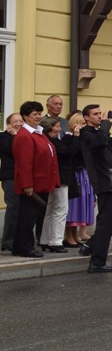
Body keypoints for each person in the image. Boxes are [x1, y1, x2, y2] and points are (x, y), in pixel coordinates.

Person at [78, 104, 112, 273]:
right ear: (86, 118)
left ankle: (91, 245)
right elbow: (98, 143)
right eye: (95, 114)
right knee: (105, 221)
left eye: (100, 114)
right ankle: (97, 262)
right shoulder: (86, 134)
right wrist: (107, 124)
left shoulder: (103, 134)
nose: (99, 117)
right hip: (103, 182)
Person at [12, 101, 60, 258]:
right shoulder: (25, 136)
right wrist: (27, 185)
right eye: (35, 114)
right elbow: (24, 164)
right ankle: (26, 248)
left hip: (42, 183)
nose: (39, 116)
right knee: (28, 218)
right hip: (32, 185)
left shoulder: (38, 133)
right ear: (26, 117)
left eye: (40, 113)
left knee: (29, 216)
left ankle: (19, 247)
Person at [38, 117, 74, 252]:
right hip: (61, 177)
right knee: (60, 209)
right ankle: (56, 241)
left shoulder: (47, 139)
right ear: (51, 128)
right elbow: (67, 152)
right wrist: (73, 137)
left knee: (51, 208)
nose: (59, 129)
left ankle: (45, 239)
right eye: (57, 126)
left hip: (55, 177)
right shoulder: (51, 140)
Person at [64, 112, 93, 246]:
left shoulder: (84, 138)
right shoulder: (68, 138)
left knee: (82, 203)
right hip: (75, 174)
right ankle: (68, 235)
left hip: (84, 174)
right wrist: (76, 136)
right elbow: (72, 154)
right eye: (82, 123)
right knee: (74, 205)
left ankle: (75, 234)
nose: (84, 126)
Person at [0, 112, 24, 251]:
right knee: (13, 207)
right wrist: (15, 136)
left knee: (23, 209)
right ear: (8, 124)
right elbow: (11, 150)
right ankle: (8, 241)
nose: (18, 124)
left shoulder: (25, 136)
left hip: (24, 176)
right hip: (10, 176)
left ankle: (19, 239)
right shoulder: (3, 137)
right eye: (15, 121)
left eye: (21, 121)